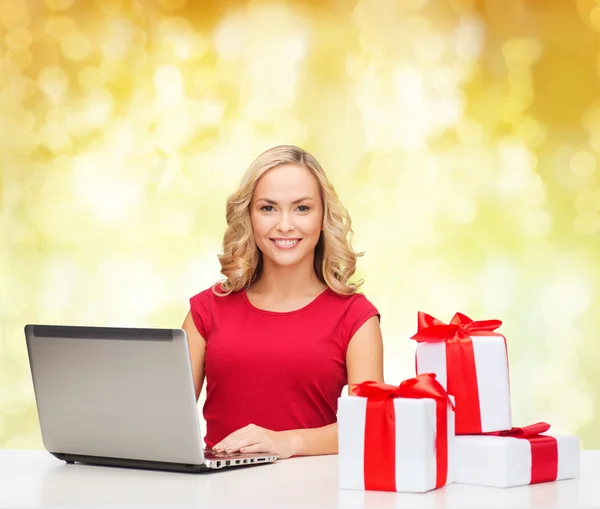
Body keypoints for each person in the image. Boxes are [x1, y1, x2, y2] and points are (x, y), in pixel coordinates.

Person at [182, 145, 383, 459]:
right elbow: (166, 420)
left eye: (302, 208)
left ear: (323, 216)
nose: (285, 225)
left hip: (313, 492)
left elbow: (372, 424)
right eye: (268, 208)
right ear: (249, 216)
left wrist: (287, 443)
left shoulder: (355, 316)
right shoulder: (206, 311)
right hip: (219, 494)